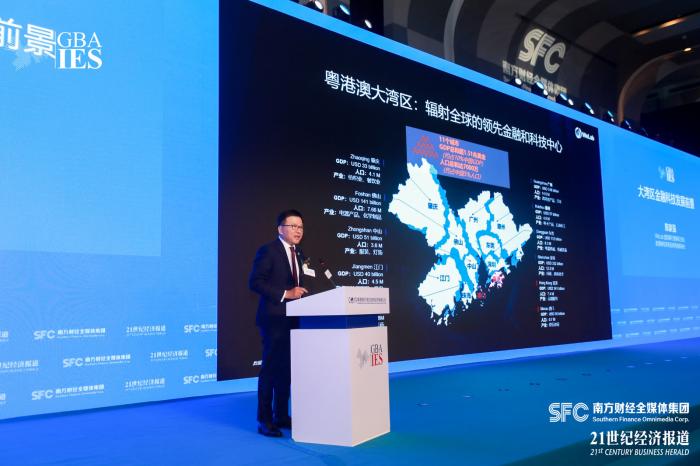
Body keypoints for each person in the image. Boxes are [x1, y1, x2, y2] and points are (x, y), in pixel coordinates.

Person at [249, 209, 308, 437]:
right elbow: (255, 282)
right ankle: (264, 420)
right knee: (271, 370)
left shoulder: (299, 253)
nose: (298, 231)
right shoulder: (268, 251)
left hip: (294, 320)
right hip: (273, 320)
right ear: (280, 229)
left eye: (301, 227)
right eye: (293, 226)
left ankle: (281, 415)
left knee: (287, 370)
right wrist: (286, 293)